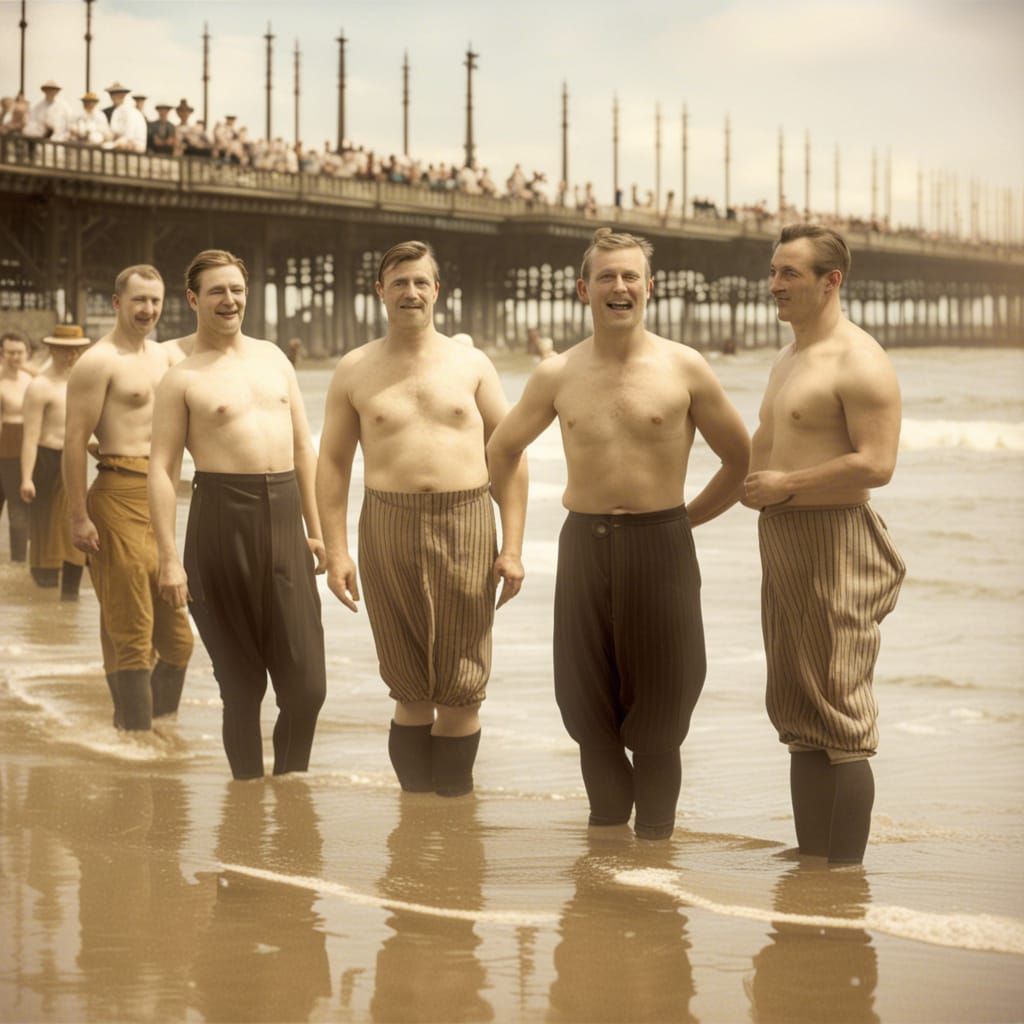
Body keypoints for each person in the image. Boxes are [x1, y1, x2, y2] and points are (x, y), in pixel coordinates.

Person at [487, 228, 750, 839]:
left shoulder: (685, 367)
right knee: (586, 705)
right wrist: (512, 541)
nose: (620, 286)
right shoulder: (557, 373)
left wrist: (685, 520)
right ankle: (605, 853)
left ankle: (655, 849)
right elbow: (502, 449)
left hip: (662, 544)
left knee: (665, 705)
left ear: (650, 288)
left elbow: (740, 459)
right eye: (606, 276)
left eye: (631, 276)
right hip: (584, 544)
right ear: (584, 290)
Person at [316, 240, 526, 797]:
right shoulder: (355, 368)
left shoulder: (471, 364)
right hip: (387, 522)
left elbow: (509, 455)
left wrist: (513, 546)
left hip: (466, 521)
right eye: (399, 282)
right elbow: (333, 466)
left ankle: (452, 815)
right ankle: (417, 817)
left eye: (420, 282)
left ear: (438, 290)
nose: (411, 292)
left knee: (462, 686)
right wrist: (336, 552)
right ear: (380, 291)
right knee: (408, 687)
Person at [743, 224, 906, 865]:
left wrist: (789, 483)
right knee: (796, 700)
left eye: (790, 273)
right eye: (774, 270)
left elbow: (877, 463)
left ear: (830, 280)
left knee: (839, 705)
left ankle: (845, 871)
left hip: (836, 537)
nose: (774, 284)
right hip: (783, 537)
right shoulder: (790, 355)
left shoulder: (858, 359)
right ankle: (813, 856)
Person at [149, 249, 327, 781]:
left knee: (308, 687)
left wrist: (317, 532)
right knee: (242, 686)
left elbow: (304, 450)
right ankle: (248, 799)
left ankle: (290, 782)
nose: (230, 300)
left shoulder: (275, 358)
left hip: (285, 517)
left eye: (237, 290)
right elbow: (160, 469)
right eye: (217, 291)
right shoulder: (181, 378)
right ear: (193, 300)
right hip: (219, 523)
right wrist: (168, 559)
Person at [63, 265, 194, 731]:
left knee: (179, 642)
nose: (148, 310)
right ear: (117, 303)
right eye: (139, 300)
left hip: (160, 499)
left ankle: (155, 729)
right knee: (133, 632)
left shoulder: (166, 358)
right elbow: (74, 442)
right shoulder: (99, 361)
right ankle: (137, 747)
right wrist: (78, 517)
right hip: (116, 494)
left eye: (155, 301)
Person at [19, 323, 91, 597]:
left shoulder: (84, 382)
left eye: (76, 350)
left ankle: (69, 596)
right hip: (47, 460)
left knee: (77, 523)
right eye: (64, 350)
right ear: (52, 349)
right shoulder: (40, 387)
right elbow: (30, 436)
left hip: (76, 460)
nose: (71, 356)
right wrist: (26, 478)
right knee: (45, 531)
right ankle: (45, 602)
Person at [0, 331, 34, 561]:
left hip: (29, 445)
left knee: (21, 505)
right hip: (5, 444)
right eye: (10, 352)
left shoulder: (33, 379)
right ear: (2, 354)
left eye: (20, 352)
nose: (15, 357)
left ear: (27, 353)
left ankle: (19, 564)